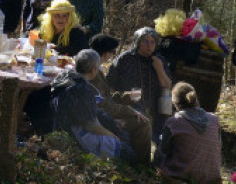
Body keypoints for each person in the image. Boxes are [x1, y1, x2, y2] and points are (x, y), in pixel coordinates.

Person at [50, 49, 137, 163]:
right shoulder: (81, 89)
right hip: (75, 134)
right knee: (127, 152)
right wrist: (112, 136)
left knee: (118, 131)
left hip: (62, 127)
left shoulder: (66, 77)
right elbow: (91, 126)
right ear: (94, 69)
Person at [87, 34, 154, 165]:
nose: (113, 55)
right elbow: (103, 104)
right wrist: (130, 111)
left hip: (107, 113)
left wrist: (127, 96)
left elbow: (107, 96)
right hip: (102, 119)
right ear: (106, 53)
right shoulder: (92, 72)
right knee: (143, 124)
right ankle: (140, 165)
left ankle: (137, 161)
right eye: (112, 52)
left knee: (142, 118)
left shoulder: (97, 68)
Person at [105, 27, 172, 140]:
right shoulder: (125, 58)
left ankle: (159, 140)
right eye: (145, 41)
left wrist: (159, 69)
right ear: (138, 42)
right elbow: (110, 82)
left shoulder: (159, 60)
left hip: (155, 104)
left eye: (152, 42)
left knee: (167, 98)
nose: (149, 46)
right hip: (131, 103)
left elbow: (167, 85)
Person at [155, 82, 223, 184]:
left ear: (175, 103)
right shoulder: (214, 120)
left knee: (159, 149)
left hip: (183, 176)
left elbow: (164, 150)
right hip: (211, 180)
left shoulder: (174, 122)